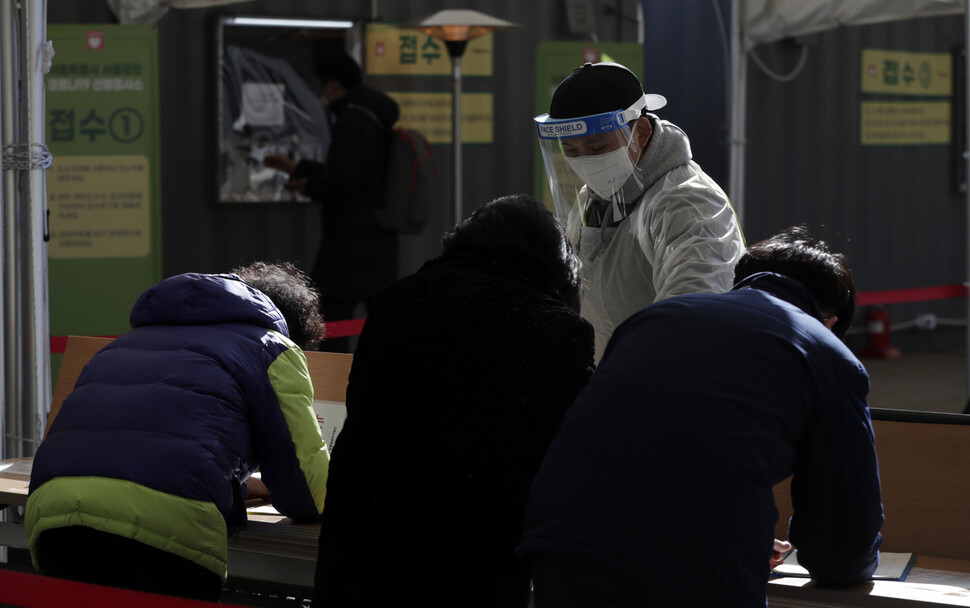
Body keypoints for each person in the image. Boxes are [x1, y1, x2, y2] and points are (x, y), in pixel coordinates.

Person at [518, 226, 884, 608]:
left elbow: (635, 445)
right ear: (831, 322)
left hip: (562, 540)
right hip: (693, 569)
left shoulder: (653, 319)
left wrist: (740, 530)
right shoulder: (828, 354)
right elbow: (843, 542)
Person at [314, 194, 596, 608]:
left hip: (356, 539)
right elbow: (568, 458)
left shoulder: (397, 303)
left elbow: (361, 406)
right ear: (556, 269)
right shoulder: (558, 329)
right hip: (471, 558)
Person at [25, 262, 330, 601]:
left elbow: (141, 441)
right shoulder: (270, 347)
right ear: (291, 328)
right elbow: (305, 490)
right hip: (161, 531)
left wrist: (235, 486)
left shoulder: (122, 344)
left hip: (54, 516)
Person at [535, 61, 745, 361]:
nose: (584, 162)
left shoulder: (689, 204)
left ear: (641, 133)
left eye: (597, 149)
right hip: (610, 387)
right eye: (571, 151)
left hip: (660, 390)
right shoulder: (592, 199)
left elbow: (693, 317)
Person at [264, 51, 401, 353]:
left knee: (334, 319)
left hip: (349, 241)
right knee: (381, 317)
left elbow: (343, 179)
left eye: (323, 86)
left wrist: (307, 184)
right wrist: (298, 169)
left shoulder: (352, 119)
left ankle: (333, 390)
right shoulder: (375, 117)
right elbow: (354, 172)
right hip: (376, 238)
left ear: (334, 85)